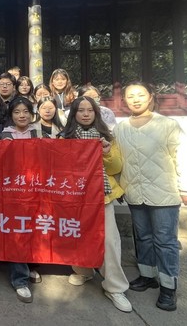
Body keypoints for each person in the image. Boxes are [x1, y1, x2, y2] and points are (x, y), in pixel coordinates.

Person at [114, 81, 187, 311]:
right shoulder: (120, 129)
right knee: (143, 237)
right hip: (135, 192)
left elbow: (183, 155)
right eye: (130, 96)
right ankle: (147, 275)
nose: (135, 99)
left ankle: (168, 287)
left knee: (165, 241)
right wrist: (119, 186)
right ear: (125, 100)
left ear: (150, 97)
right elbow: (117, 161)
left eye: (140, 95)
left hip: (164, 192)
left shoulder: (167, 125)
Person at [61, 96, 132, 313]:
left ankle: (115, 287)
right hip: (75, 196)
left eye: (90, 110)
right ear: (74, 114)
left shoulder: (107, 136)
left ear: (96, 113)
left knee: (109, 240)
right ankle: (83, 271)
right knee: (78, 236)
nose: (85, 114)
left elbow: (116, 168)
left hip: (102, 196)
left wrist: (107, 153)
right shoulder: (65, 138)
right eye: (81, 110)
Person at [1, 97, 42, 302]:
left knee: (34, 230)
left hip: (36, 189)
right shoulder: (5, 134)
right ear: (11, 115)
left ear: (31, 114)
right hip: (14, 191)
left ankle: (29, 266)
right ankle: (20, 280)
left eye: (25, 111)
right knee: (18, 232)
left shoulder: (38, 132)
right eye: (17, 112)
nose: (22, 115)